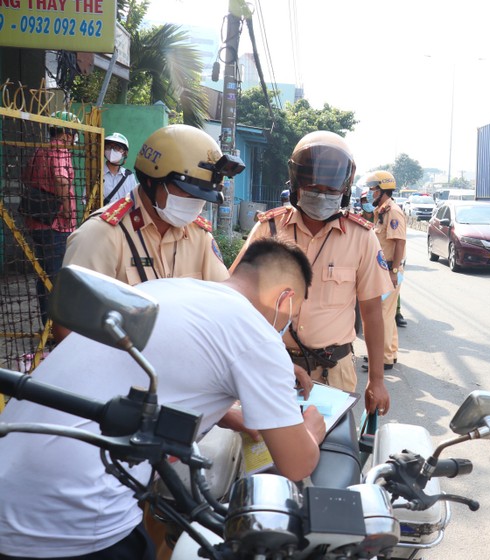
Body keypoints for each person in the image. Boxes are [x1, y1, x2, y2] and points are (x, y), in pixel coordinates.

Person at [0, 237, 326, 560]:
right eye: (291, 317)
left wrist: (227, 414)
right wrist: (311, 428)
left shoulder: (166, 289)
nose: (285, 327)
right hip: (71, 518)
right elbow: (295, 464)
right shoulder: (256, 334)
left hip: (11, 477)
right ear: (286, 298)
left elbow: (141, 377)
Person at [231, 131, 392, 415]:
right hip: (273, 368)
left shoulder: (362, 238)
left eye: (330, 191)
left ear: (344, 189)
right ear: (296, 183)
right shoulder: (269, 229)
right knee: (262, 456)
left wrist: (377, 381)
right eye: (313, 187)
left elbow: (371, 313)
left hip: (334, 374)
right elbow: (236, 300)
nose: (321, 195)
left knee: (332, 455)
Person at [55, 124, 243, 342]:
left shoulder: (199, 235)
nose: (196, 205)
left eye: (203, 197)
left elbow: (224, 304)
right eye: (188, 192)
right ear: (151, 180)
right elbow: (67, 330)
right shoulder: (101, 235)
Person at [21, 110, 80, 327]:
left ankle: (48, 324)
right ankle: (56, 329)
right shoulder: (60, 151)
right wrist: (66, 208)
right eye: (73, 132)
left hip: (37, 220)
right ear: (66, 132)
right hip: (56, 224)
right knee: (55, 276)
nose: (74, 138)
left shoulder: (39, 151)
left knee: (44, 274)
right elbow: (61, 179)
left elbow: (27, 177)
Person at [365, 170, 407, 370]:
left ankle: (382, 359)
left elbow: (399, 243)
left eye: (373, 190)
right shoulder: (381, 210)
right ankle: (390, 353)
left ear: (383, 190)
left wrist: (394, 271)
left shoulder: (393, 212)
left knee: (382, 314)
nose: (371, 193)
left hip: (390, 269)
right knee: (387, 313)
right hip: (384, 269)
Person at [101, 132, 137, 204]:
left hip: (125, 215)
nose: (111, 151)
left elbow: (135, 201)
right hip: (101, 215)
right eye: (108, 147)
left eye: (117, 148)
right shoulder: (97, 175)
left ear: (124, 153)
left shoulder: (129, 177)